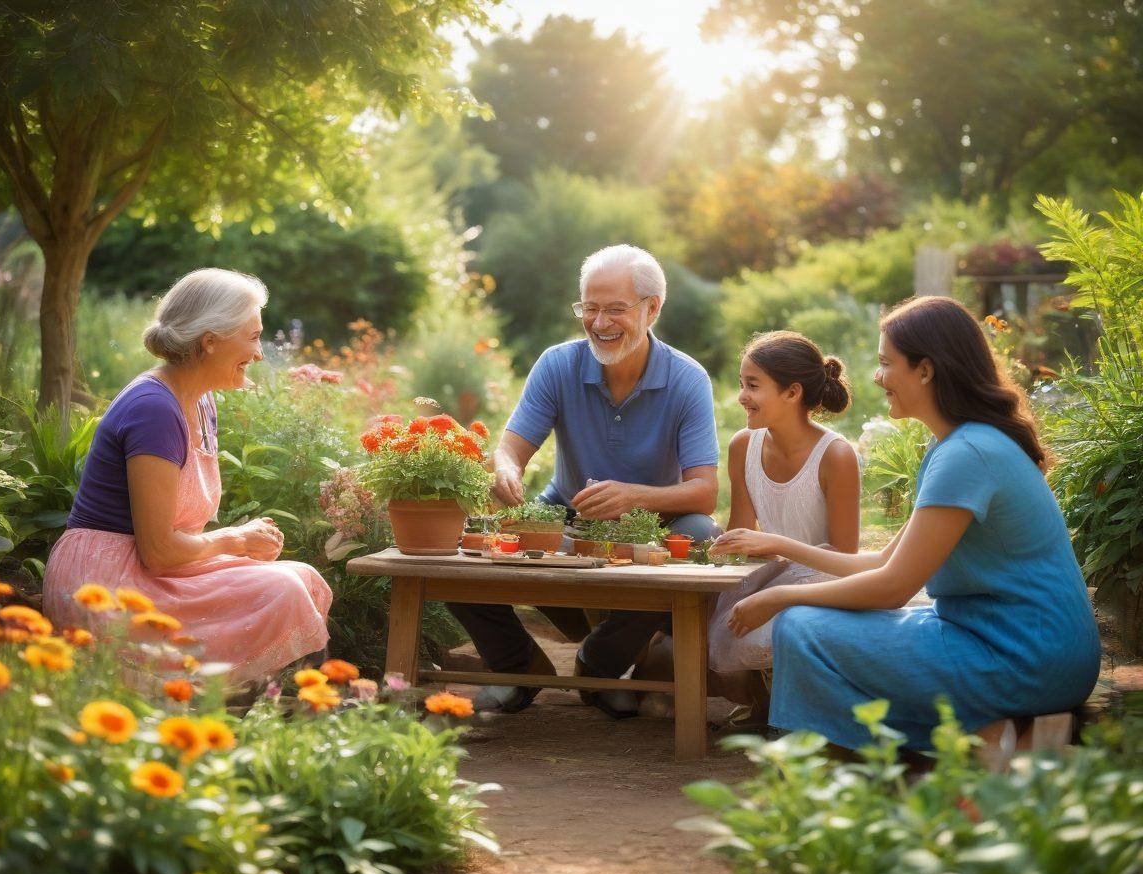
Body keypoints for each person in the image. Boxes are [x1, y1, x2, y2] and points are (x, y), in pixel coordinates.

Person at [724, 296, 1101, 750]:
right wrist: (785, 554)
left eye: (886, 364)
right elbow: (885, 561)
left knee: (801, 627)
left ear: (925, 370)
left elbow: (893, 587)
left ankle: (855, 756)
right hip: (1018, 648)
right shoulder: (956, 446)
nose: (878, 377)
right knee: (812, 622)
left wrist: (782, 596)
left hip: (1026, 659)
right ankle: (973, 738)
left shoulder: (968, 454)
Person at [448, 244, 720, 717]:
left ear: (652, 308)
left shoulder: (687, 379)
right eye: (590, 308)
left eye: (615, 309)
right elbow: (512, 447)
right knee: (452, 539)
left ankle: (600, 665)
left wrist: (634, 496)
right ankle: (518, 667)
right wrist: (508, 468)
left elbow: (704, 490)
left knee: (700, 534)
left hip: (650, 526)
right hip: (566, 518)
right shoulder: (558, 364)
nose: (599, 322)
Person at [44, 268, 332, 685]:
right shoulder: (154, 410)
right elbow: (159, 550)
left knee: (300, 578)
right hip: (108, 581)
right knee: (281, 591)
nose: (260, 353)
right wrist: (234, 540)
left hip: (152, 570)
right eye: (252, 337)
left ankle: (237, 722)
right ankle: (221, 724)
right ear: (210, 340)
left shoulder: (199, 401)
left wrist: (240, 543)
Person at [705, 331, 860, 721]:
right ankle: (767, 707)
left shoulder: (836, 455)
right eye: (742, 384)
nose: (741, 396)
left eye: (753, 385)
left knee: (753, 635)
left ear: (792, 393)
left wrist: (772, 543)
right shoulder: (744, 444)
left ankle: (797, 713)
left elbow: (845, 555)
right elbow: (742, 530)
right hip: (772, 572)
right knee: (717, 634)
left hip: (827, 579)